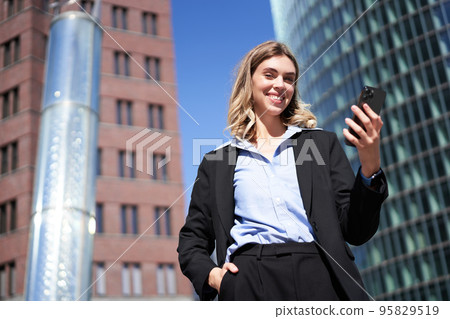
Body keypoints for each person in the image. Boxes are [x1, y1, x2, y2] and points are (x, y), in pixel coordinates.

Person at [177, 41, 388, 301]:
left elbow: (356, 230)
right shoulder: (217, 162)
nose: (280, 84)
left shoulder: (321, 144)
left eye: (289, 78)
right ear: (249, 82)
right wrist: (215, 277)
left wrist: (370, 164)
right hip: (250, 278)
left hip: (320, 273)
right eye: (269, 75)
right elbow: (192, 240)